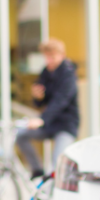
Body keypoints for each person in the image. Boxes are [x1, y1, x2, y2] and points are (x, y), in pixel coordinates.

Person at [17, 38, 79, 179]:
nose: (49, 61)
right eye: (46, 57)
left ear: (62, 55)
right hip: (50, 124)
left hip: (65, 125)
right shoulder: (46, 72)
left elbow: (60, 102)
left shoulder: (69, 75)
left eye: (52, 57)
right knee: (21, 136)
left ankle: (54, 194)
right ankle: (37, 170)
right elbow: (41, 102)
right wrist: (37, 97)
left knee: (57, 162)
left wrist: (42, 120)